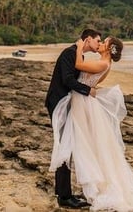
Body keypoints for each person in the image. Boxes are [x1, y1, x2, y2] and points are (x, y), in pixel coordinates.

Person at [49, 36, 133, 212]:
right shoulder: (104, 63)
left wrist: (79, 46)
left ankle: (71, 192)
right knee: (82, 143)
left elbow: (79, 65)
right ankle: (67, 192)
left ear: (110, 48)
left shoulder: (103, 63)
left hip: (82, 103)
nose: (101, 43)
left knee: (81, 143)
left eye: (104, 42)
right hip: (82, 101)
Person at [45, 28, 102, 209]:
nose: (99, 44)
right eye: (97, 40)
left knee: (67, 146)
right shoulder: (69, 53)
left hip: (66, 103)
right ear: (88, 39)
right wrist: (88, 90)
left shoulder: (78, 55)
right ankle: (64, 196)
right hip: (58, 103)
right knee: (65, 147)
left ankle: (64, 193)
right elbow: (68, 80)